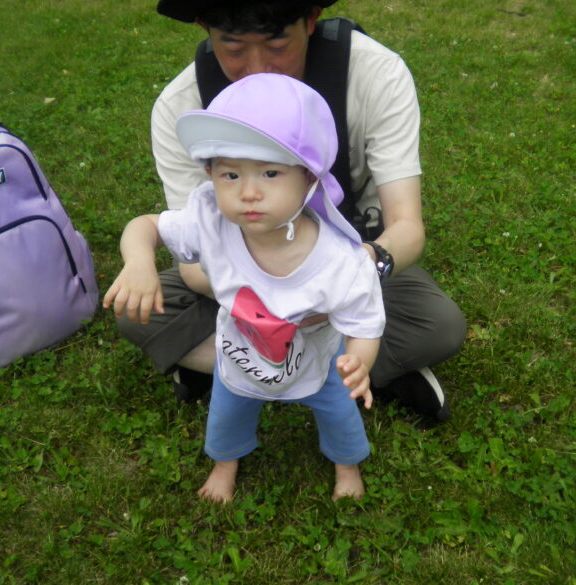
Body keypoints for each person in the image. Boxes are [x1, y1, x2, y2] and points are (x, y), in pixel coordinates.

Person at [117, 0, 467, 421]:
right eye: (233, 48)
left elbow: (406, 227)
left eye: (277, 44)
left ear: (311, 20)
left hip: (345, 261)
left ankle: (234, 368)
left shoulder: (374, 74)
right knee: (138, 312)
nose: (257, 67)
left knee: (437, 324)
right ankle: (342, 375)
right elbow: (193, 270)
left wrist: (356, 273)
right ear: (204, 28)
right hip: (238, 281)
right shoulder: (182, 105)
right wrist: (277, 305)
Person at [104, 73, 385, 502]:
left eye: (270, 172)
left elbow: (363, 324)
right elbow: (146, 227)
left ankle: (346, 467)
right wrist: (139, 261)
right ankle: (225, 463)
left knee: (339, 412)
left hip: (319, 359)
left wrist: (359, 363)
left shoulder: (340, 262)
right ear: (210, 174)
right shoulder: (210, 220)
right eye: (230, 174)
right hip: (240, 351)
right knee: (227, 411)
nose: (248, 192)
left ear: (309, 178)